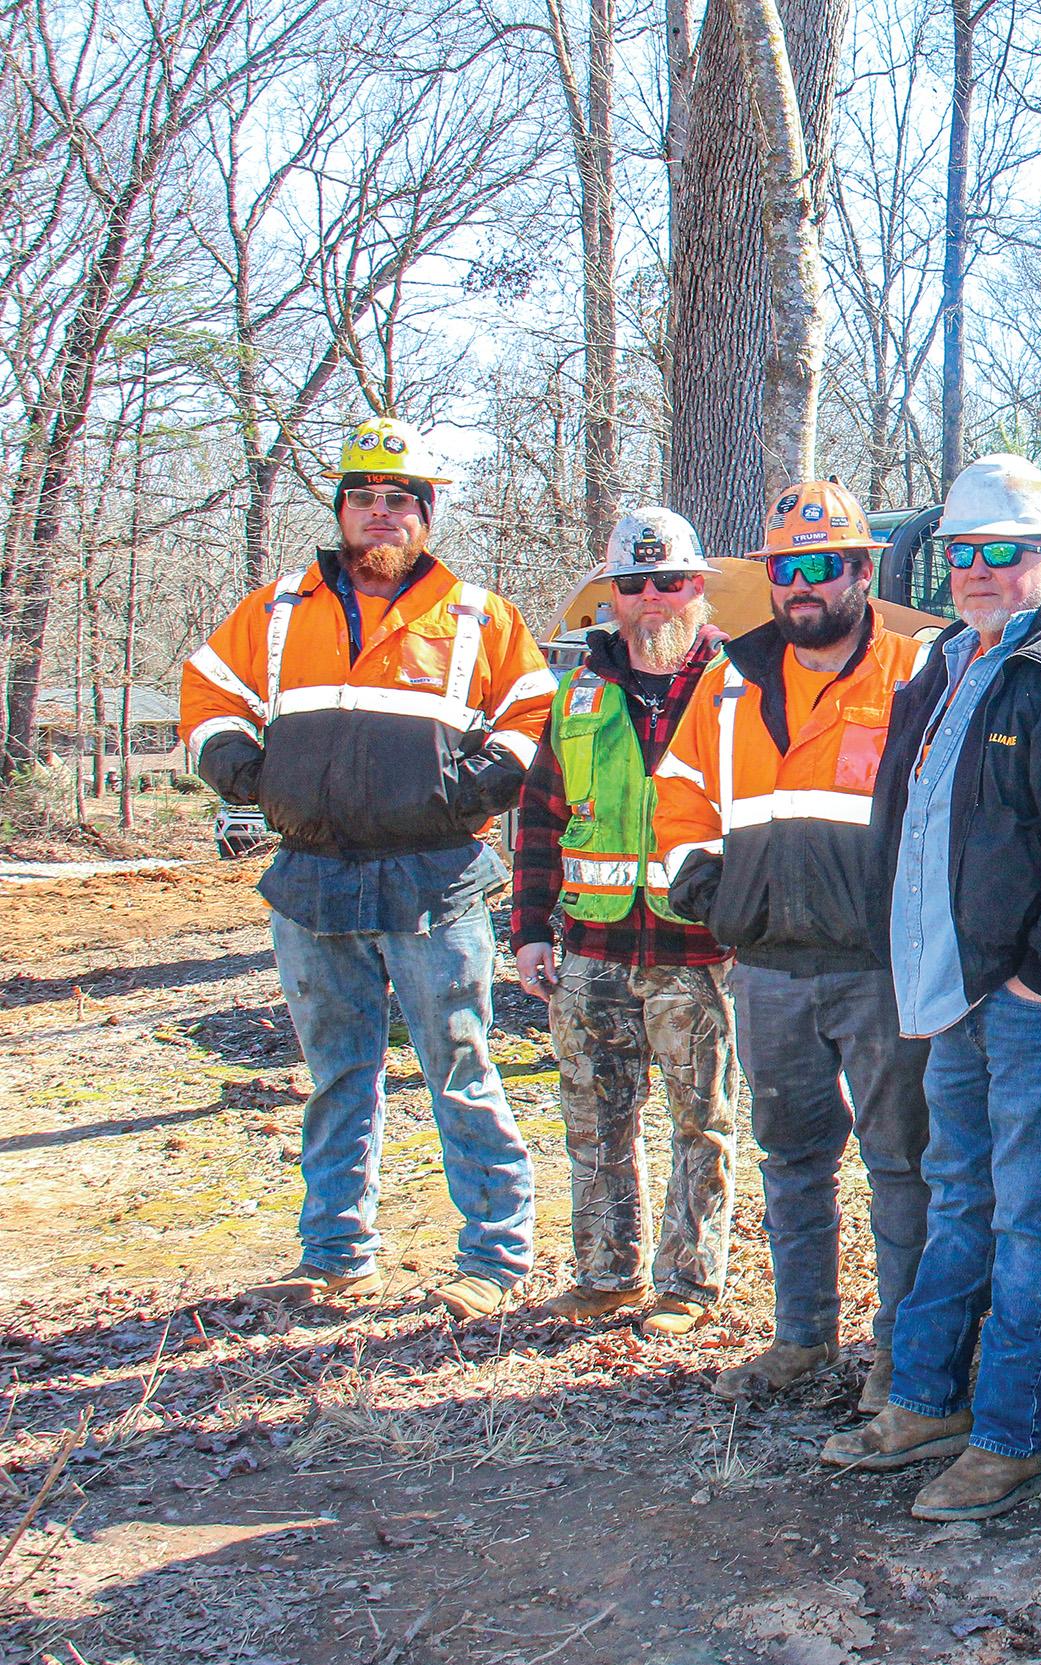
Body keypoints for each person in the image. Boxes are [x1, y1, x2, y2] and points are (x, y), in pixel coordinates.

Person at [179, 416, 553, 1320]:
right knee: (338, 1074)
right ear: (342, 510)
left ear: (427, 514)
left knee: (458, 1067)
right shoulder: (278, 609)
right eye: (364, 498)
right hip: (312, 875)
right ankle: (336, 1253)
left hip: (434, 876)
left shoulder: (477, 615)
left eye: (399, 500)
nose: (381, 513)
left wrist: (470, 792)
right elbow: (206, 692)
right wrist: (250, 774)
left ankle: (496, 1256)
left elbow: (532, 714)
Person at [821, 454, 1041, 1521]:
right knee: (959, 1194)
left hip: (1039, 1002)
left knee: (1032, 1221)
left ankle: (1010, 1437)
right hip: (952, 991)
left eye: (1004, 550)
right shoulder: (940, 668)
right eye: (963, 551)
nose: (979, 570)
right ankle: (926, 1399)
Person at [653, 479, 932, 1409]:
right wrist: (710, 894)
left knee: (903, 1165)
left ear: (861, 572)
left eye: (821, 566)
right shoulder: (730, 680)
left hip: (881, 971)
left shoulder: (913, 672)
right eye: (784, 570)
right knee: (792, 1161)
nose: (800, 585)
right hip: (769, 969)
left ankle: (904, 1354)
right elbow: (680, 795)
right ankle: (802, 1338)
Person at [510, 509, 737, 1337]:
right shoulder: (578, 692)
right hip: (591, 947)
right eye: (634, 583)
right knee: (594, 1117)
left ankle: (689, 1281)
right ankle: (606, 1274)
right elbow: (541, 817)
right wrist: (529, 930)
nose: (651, 598)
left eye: (668, 580)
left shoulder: (735, 686)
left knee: (701, 1120)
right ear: (612, 595)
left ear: (697, 586)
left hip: (697, 947)